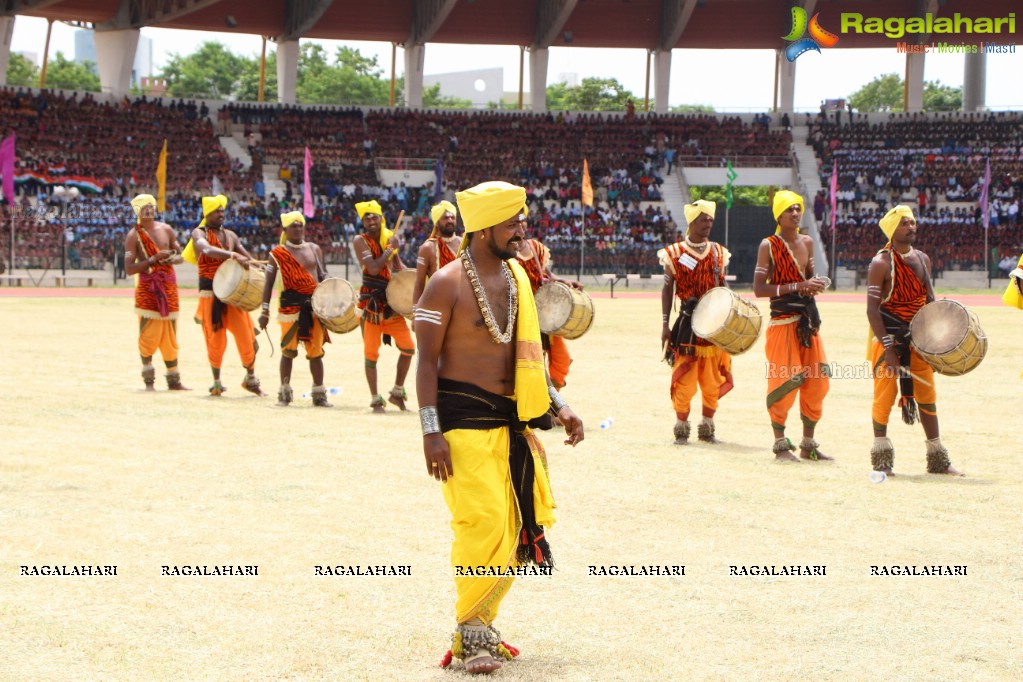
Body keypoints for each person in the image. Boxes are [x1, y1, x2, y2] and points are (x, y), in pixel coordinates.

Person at [415, 180, 583, 674]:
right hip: (461, 423)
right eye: (513, 223)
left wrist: (560, 405)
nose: (521, 231)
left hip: (511, 425)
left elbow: (528, 357)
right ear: (485, 226)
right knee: (482, 523)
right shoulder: (444, 282)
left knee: (512, 530)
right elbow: (424, 364)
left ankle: (481, 625)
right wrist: (430, 432)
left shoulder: (515, 280)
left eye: (523, 222)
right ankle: (470, 634)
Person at [866, 206, 963, 476]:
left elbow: (929, 301)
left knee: (927, 397)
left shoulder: (923, 259)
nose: (911, 227)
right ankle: (881, 459)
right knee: (884, 398)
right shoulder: (881, 263)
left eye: (912, 222)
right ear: (892, 229)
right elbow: (872, 310)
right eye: (905, 223)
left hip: (918, 341)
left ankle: (938, 459)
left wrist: (939, 338)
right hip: (889, 340)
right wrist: (889, 350)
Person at [752, 190, 830, 461]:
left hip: (808, 323)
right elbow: (759, 289)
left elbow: (807, 278)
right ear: (779, 215)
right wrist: (799, 286)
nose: (796, 214)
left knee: (818, 381)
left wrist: (814, 285)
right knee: (785, 381)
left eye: (798, 209)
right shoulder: (769, 245)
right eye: (790, 210)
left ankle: (808, 444)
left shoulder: (807, 242)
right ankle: (781, 446)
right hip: (783, 322)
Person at [659, 200, 733, 445]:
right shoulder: (674, 253)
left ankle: (707, 430)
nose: (708, 223)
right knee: (685, 381)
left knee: (712, 382)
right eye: (704, 219)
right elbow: (667, 288)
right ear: (691, 221)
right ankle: (681, 430)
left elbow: (723, 288)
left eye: (711, 219)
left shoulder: (719, 252)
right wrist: (664, 324)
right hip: (688, 327)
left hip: (713, 326)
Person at [190, 194, 265, 397]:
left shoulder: (231, 235)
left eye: (223, 210)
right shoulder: (199, 233)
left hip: (233, 295)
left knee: (247, 337)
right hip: (209, 295)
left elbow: (246, 256)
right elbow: (205, 250)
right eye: (217, 211)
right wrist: (231, 255)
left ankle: (250, 379)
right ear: (208, 213)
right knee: (215, 340)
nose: (221, 214)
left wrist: (259, 266)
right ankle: (216, 382)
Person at [258, 211, 331, 407]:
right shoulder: (277, 254)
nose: (298, 229)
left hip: (313, 306)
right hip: (289, 308)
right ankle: (284, 394)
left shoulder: (314, 249)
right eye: (293, 226)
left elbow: (322, 274)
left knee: (316, 352)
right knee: (288, 351)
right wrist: (264, 311)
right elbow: (268, 284)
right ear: (285, 229)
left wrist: (331, 284)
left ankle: (319, 394)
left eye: (300, 225)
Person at [353, 199, 414, 412]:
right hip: (370, 305)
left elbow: (397, 267)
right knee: (371, 354)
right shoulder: (359, 241)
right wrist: (389, 250)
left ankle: (397, 393)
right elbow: (373, 268)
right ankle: (375, 398)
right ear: (363, 221)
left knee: (409, 347)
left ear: (381, 218)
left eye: (374, 216)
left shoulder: (389, 238)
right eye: (366, 217)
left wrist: (412, 279)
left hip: (390, 305)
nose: (370, 219)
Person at [124, 194, 189, 391]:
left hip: (168, 285)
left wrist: (171, 258)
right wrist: (153, 259)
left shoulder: (166, 229)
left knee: (170, 333)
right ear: (137, 211)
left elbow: (181, 255)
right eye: (144, 207)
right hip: (148, 287)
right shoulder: (133, 235)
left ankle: (174, 380)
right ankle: (149, 381)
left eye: (151, 206)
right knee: (148, 334)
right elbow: (129, 268)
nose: (149, 210)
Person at [514, 235, 583, 391]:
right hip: (521, 317)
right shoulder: (506, 250)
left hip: (544, 315)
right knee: (529, 364)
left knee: (561, 360)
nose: (520, 225)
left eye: (522, 221)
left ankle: (552, 403)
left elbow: (548, 275)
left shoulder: (534, 247)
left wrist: (564, 281)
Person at [411, 200, 461, 315]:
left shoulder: (463, 243)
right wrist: (415, 312)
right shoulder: (427, 248)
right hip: (438, 306)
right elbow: (419, 282)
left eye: (452, 217)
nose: (450, 220)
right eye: (445, 218)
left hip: (462, 304)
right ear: (437, 222)